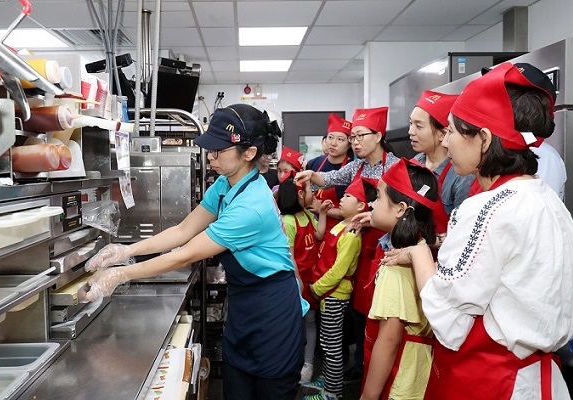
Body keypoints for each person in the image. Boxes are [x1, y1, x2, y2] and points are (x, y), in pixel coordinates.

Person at [79, 104, 308, 400]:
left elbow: (184, 254)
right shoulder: (226, 185)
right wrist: (125, 250)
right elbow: (183, 231)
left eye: (218, 151)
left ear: (248, 153)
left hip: (273, 316)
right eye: (210, 150)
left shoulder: (252, 206)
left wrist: (120, 275)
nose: (211, 157)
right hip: (244, 308)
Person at [382, 62, 573, 399]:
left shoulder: (488, 208)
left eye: (453, 131)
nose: (448, 141)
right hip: (537, 377)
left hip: (492, 380)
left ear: (483, 139)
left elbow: (447, 314)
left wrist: (419, 252)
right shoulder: (546, 199)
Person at [295, 107, 400, 381]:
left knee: (382, 315)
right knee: (360, 315)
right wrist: (309, 175)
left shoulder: (395, 167)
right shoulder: (359, 165)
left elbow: (402, 213)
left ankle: (374, 376)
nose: (354, 142)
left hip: (387, 248)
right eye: (351, 137)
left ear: (378, 136)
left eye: (359, 136)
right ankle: (361, 370)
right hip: (360, 245)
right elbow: (328, 178)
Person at [360, 158, 438, 400]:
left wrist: (368, 396)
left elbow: (390, 339)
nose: (372, 203)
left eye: (380, 197)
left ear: (400, 209)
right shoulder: (418, 248)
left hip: (399, 379)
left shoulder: (397, 265)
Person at [303, 177, 377, 400]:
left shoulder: (352, 234)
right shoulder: (343, 225)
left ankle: (332, 393)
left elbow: (339, 270)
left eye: (348, 197)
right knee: (327, 342)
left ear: (362, 206)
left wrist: (317, 288)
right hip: (327, 293)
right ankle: (327, 380)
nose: (341, 199)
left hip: (333, 294)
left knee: (333, 346)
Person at [276, 170, 332, 384]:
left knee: (309, 322)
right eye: (309, 190)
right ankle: (292, 363)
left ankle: (307, 364)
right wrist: (297, 282)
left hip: (311, 280)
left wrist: (323, 213)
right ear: (300, 195)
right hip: (297, 282)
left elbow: (318, 234)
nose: (313, 194)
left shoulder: (307, 215)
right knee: (294, 324)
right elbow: (290, 257)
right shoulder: (288, 221)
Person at [409, 90, 474, 245]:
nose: (410, 132)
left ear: (442, 134)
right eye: (411, 123)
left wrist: (423, 244)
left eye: (419, 126)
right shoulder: (411, 165)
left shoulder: (461, 176)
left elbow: (463, 236)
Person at [306, 113, 354, 234]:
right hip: (313, 228)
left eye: (340, 139)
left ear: (349, 144)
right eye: (330, 137)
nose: (333, 143)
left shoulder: (352, 169)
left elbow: (353, 213)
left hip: (339, 231)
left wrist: (321, 209)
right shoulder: (314, 164)